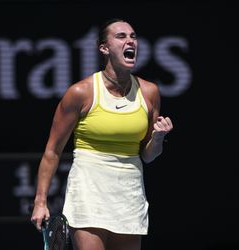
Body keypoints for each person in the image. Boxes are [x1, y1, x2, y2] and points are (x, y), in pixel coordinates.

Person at [30, 18, 173, 250]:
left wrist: (157, 139)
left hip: (129, 195)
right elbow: (52, 151)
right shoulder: (80, 93)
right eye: (121, 36)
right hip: (89, 190)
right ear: (104, 48)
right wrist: (40, 201)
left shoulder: (150, 93)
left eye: (133, 36)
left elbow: (148, 155)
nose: (130, 41)